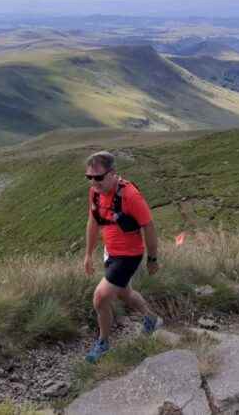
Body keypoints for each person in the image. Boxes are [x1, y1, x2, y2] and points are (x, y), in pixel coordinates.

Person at [82, 150, 161, 363]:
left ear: (112, 173)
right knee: (124, 293)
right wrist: (88, 254)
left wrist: (152, 259)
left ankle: (103, 343)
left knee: (100, 298)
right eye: (89, 177)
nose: (93, 182)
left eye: (98, 177)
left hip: (129, 255)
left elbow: (149, 227)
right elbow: (93, 223)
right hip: (111, 252)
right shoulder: (95, 193)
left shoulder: (130, 196)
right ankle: (151, 319)